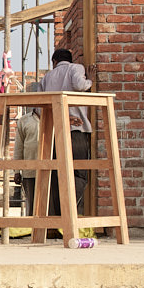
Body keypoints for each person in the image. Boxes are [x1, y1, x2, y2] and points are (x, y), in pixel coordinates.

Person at [39, 43, 96, 215]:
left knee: (56, 174)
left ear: (54, 61)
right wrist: (90, 79)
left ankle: (56, 217)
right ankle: (68, 211)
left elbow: (39, 108)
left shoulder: (47, 78)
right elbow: (80, 85)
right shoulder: (75, 68)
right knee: (79, 171)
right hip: (75, 129)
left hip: (55, 131)